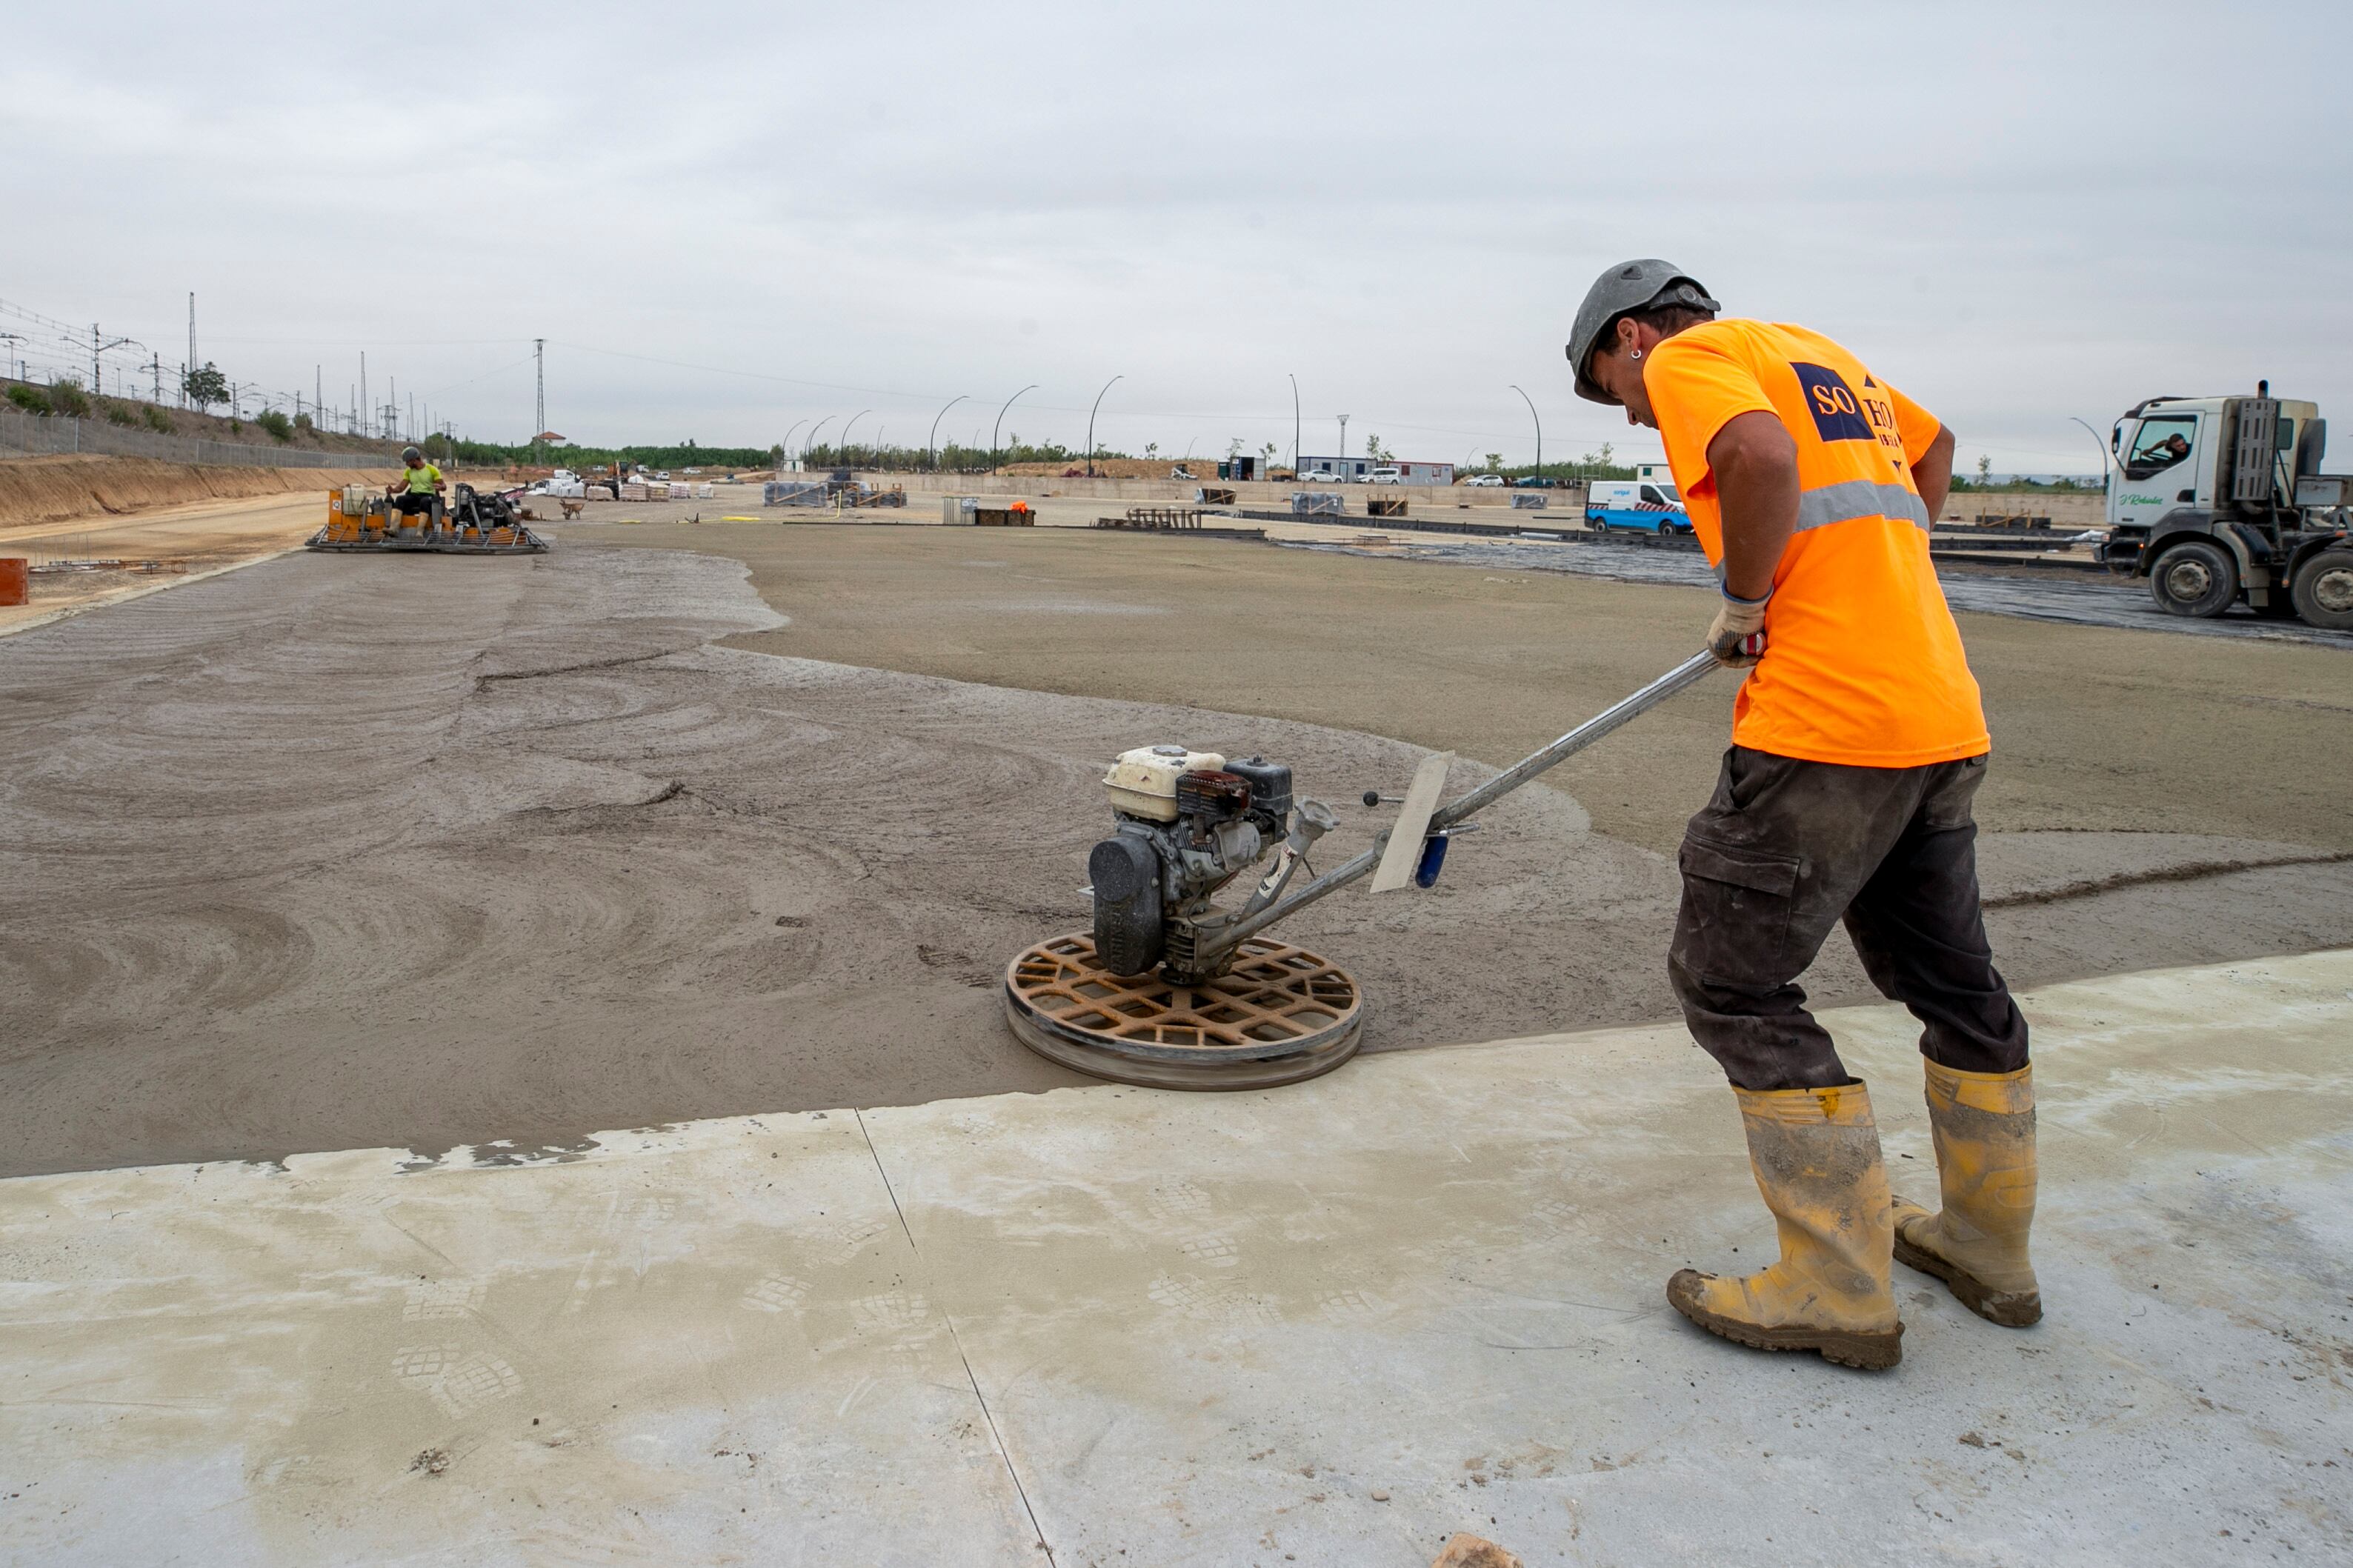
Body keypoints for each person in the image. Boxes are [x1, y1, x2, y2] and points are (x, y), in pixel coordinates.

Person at [1565, 260, 2040, 1371]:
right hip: (1936, 711)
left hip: (1827, 729)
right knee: (1953, 981)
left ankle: (1835, 1286)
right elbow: (1935, 448)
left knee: (1731, 980)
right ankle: (1987, 1246)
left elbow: (1759, 457)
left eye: (1614, 387)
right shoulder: (1822, 358)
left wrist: (1749, 594)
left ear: (1633, 334)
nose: (1637, 413)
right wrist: (1867, 578)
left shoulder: (1691, 357)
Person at [387, 446, 445, 523]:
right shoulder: (408, 471)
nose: (406, 464)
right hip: (414, 496)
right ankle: (393, 528)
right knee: (400, 499)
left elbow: (444, 486)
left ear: (414, 460)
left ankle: (420, 531)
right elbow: (401, 487)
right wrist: (393, 490)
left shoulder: (432, 470)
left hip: (428, 496)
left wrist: (441, 487)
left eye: (407, 462)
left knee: (424, 501)